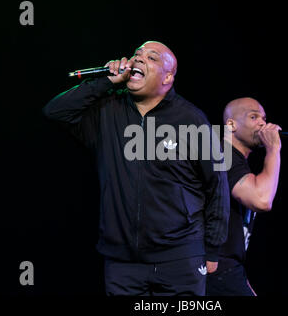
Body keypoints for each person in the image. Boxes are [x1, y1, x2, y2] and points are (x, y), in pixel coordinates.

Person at [42, 41, 230, 296]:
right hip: (122, 262)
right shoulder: (107, 110)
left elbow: (217, 186)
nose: (138, 59)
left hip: (180, 257)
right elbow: (55, 111)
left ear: (168, 77)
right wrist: (105, 82)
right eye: (136, 54)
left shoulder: (192, 119)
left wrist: (212, 249)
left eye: (152, 58)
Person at [206, 97, 281, 296]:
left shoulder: (232, 159)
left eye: (264, 118)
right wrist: (274, 150)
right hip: (215, 269)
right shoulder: (223, 155)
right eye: (253, 117)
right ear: (231, 124)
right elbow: (262, 199)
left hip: (226, 269)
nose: (262, 123)